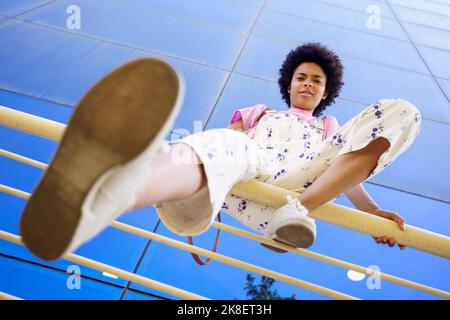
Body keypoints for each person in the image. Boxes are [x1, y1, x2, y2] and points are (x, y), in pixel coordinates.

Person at [20, 43, 421, 261]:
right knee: (224, 142)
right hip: (249, 171)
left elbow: (346, 174)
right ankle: (101, 201)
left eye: (316, 81)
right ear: (289, 83)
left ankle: (297, 211)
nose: (308, 84)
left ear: (325, 91)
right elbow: (217, 147)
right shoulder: (258, 113)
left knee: (403, 110)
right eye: (301, 77)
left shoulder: (329, 129)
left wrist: (372, 215)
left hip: (300, 190)